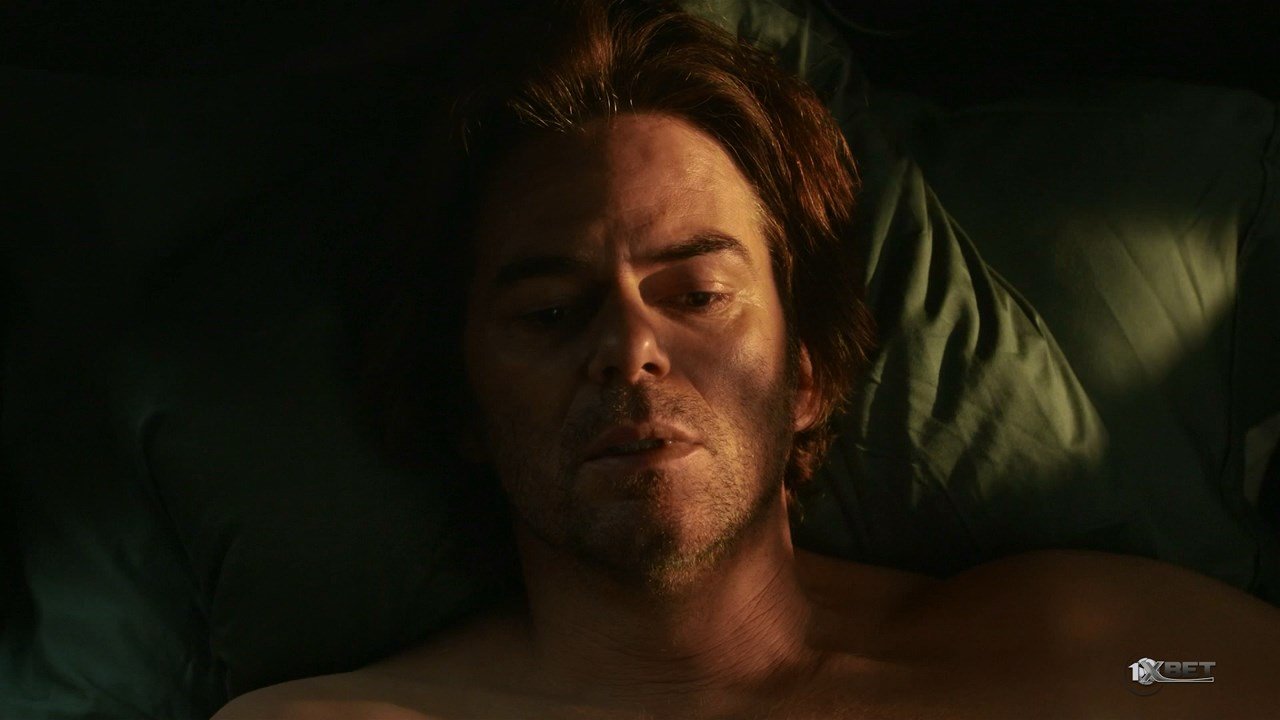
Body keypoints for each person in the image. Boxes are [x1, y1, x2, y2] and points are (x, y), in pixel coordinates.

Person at [214, 1, 1280, 717]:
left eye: (696, 296)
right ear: (464, 408)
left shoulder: (1101, 658)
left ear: (806, 373)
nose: (629, 348)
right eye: (550, 312)